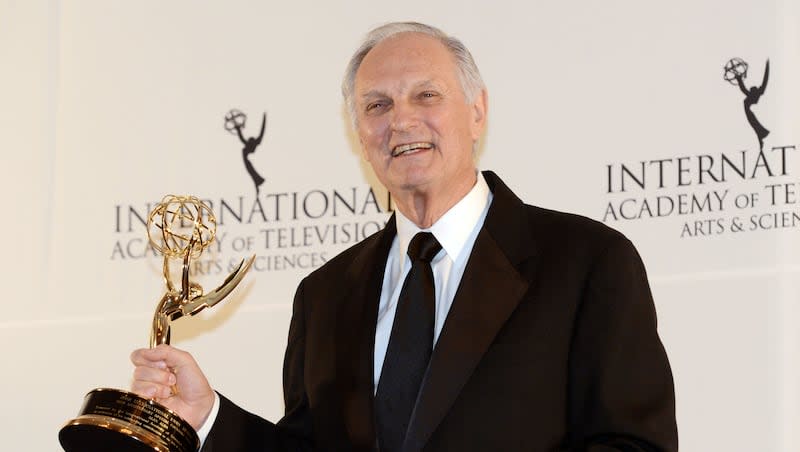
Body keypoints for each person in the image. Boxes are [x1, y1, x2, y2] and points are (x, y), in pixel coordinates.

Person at [131, 22, 678, 451]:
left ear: (477, 112)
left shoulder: (587, 263)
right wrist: (208, 418)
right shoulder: (323, 295)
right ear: (358, 132)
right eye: (377, 105)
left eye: (426, 96)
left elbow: (634, 443)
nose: (401, 121)